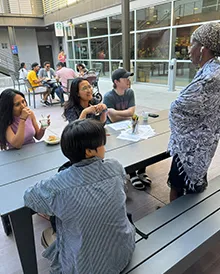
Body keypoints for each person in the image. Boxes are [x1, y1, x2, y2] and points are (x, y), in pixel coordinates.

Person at [23, 118, 135, 274]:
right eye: (101, 143)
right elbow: (122, 184)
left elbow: (29, 197)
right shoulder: (115, 167)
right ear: (89, 152)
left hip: (85, 267)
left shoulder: (57, 185)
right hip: (122, 253)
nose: (104, 147)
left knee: (59, 221)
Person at [168, 22, 220, 201]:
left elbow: (178, 109)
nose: (189, 50)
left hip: (191, 147)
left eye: (192, 44)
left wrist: (175, 110)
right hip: (204, 143)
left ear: (203, 48)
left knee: (177, 186)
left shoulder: (210, 77)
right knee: (191, 188)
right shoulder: (213, 71)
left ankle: (173, 223)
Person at [103, 68, 151, 190]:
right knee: (126, 148)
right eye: (125, 78)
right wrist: (124, 114)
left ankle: (141, 171)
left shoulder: (130, 92)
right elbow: (112, 119)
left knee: (141, 143)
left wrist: (116, 112)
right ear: (117, 82)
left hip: (128, 125)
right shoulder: (108, 96)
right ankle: (132, 174)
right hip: (113, 129)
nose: (128, 81)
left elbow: (131, 112)